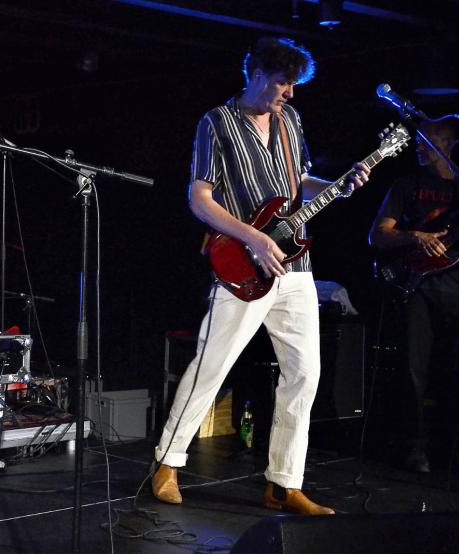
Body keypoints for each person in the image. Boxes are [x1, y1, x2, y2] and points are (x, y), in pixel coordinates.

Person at [151, 37, 370, 515]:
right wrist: (252, 237)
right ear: (255, 75)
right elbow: (199, 199)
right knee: (212, 366)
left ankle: (284, 484)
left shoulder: (290, 120)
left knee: (304, 374)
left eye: (294, 84)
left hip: (295, 265)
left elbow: (300, 183)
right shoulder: (216, 122)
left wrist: (337, 186)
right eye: (283, 82)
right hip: (242, 264)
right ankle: (167, 463)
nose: (290, 92)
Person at [369, 118, 459, 473]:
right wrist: (416, 236)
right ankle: (414, 449)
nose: (418, 144)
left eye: (428, 137)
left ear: (448, 141)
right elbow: (377, 235)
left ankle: (454, 451)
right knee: (413, 371)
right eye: (418, 138)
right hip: (416, 287)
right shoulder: (406, 185)